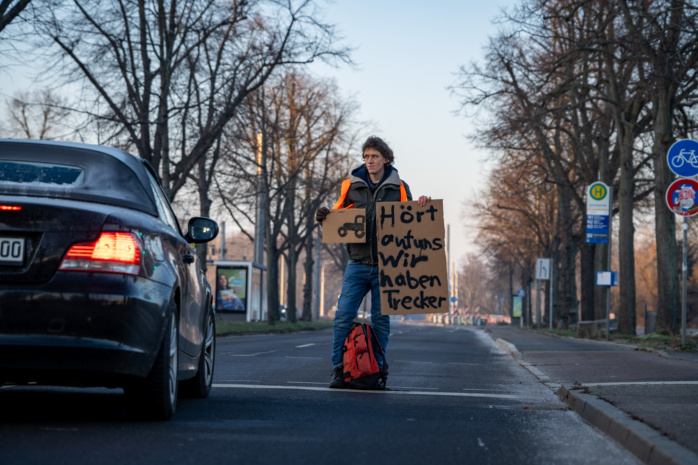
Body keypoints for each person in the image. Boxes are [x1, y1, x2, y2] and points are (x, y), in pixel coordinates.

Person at [316, 136, 431, 389]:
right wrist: (323, 215)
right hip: (357, 263)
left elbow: (409, 220)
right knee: (343, 316)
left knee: (381, 320)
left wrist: (421, 206)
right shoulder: (351, 185)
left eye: (374, 157)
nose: (369, 161)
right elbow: (336, 214)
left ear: (386, 159)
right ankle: (340, 371)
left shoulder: (399, 187)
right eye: (366, 156)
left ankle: (376, 373)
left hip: (386, 266)